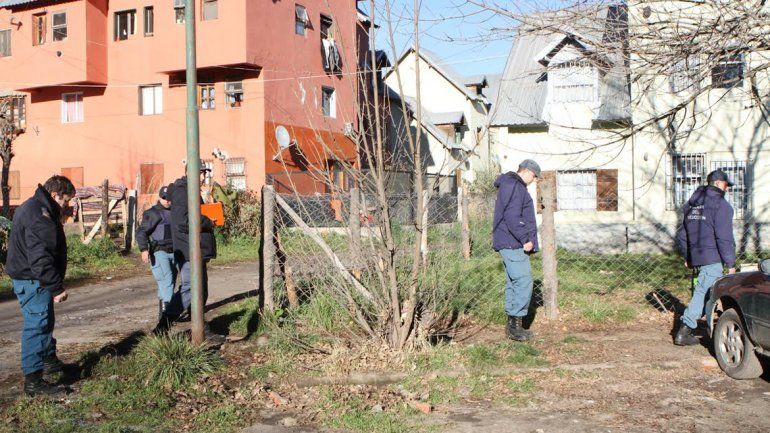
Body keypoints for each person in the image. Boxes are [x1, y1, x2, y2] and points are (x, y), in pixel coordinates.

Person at [6, 175, 76, 396]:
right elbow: (40, 258)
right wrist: (55, 287)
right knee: (37, 326)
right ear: (55, 195)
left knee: (45, 321)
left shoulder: (35, 206)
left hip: (30, 278)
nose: (67, 205)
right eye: (66, 200)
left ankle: (49, 362)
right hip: (33, 280)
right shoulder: (40, 215)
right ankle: (34, 381)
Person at [674, 169, 736, 346]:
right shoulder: (721, 205)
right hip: (713, 257)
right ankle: (685, 330)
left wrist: (688, 256)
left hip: (697, 256)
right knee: (704, 293)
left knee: (703, 291)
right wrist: (730, 262)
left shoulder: (691, 205)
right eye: (726, 185)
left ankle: (700, 326)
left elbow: (682, 235)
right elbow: (724, 237)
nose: (727, 189)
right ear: (717, 183)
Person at [492, 159, 540, 341]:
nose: (534, 180)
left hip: (508, 241)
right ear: (527, 172)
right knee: (524, 280)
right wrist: (525, 239)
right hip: (513, 242)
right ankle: (515, 326)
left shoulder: (510, 184)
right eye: (534, 176)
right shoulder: (514, 186)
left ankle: (513, 325)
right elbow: (513, 216)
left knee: (514, 281)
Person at [166, 162, 217, 322]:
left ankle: (200, 328)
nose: (203, 177)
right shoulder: (183, 191)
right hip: (189, 249)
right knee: (190, 288)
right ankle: (163, 326)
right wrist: (207, 222)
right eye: (200, 173)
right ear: (190, 173)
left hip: (195, 248)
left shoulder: (192, 191)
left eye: (204, 173)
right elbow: (183, 220)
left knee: (200, 290)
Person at [136, 186, 176, 331]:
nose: (167, 201)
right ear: (159, 197)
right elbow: (141, 232)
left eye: (169, 198)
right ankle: (165, 322)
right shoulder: (153, 213)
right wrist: (144, 249)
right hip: (159, 252)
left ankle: (164, 316)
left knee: (168, 283)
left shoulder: (175, 212)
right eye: (164, 198)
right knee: (167, 282)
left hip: (174, 252)